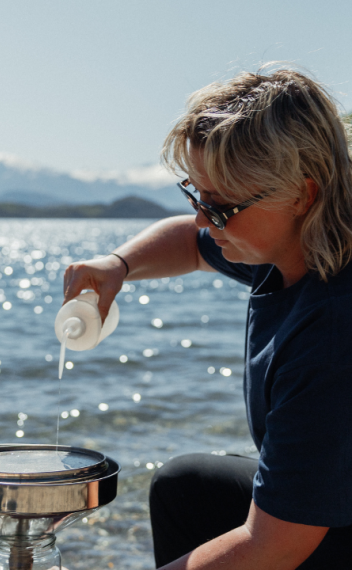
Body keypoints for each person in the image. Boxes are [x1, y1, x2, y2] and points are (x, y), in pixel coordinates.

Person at [63, 66, 352, 569]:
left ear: (302, 194)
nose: (202, 218)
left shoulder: (332, 331)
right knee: (185, 486)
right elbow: (190, 243)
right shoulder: (296, 246)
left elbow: (274, 545)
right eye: (196, 195)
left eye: (219, 207)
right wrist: (119, 265)